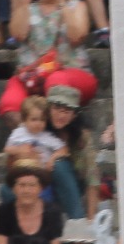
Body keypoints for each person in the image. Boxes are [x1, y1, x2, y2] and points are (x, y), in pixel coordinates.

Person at [0, 0, 97, 131]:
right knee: (10, 102)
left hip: (72, 73)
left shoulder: (77, 6)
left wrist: (61, 0)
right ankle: (32, 143)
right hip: (33, 76)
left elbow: (77, 37)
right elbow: (18, 34)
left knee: (56, 80)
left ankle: (55, 139)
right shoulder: (28, 8)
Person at [35, 86, 98, 218]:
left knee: (59, 166)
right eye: (57, 108)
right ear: (48, 109)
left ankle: (77, 220)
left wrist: (91, 218)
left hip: (71, 186)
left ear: (74, 115)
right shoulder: (36, 127)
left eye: (67, 111)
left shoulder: (82, 137)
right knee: (7, 190)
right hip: (39, 184)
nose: (61, 115)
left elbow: (92, 178)